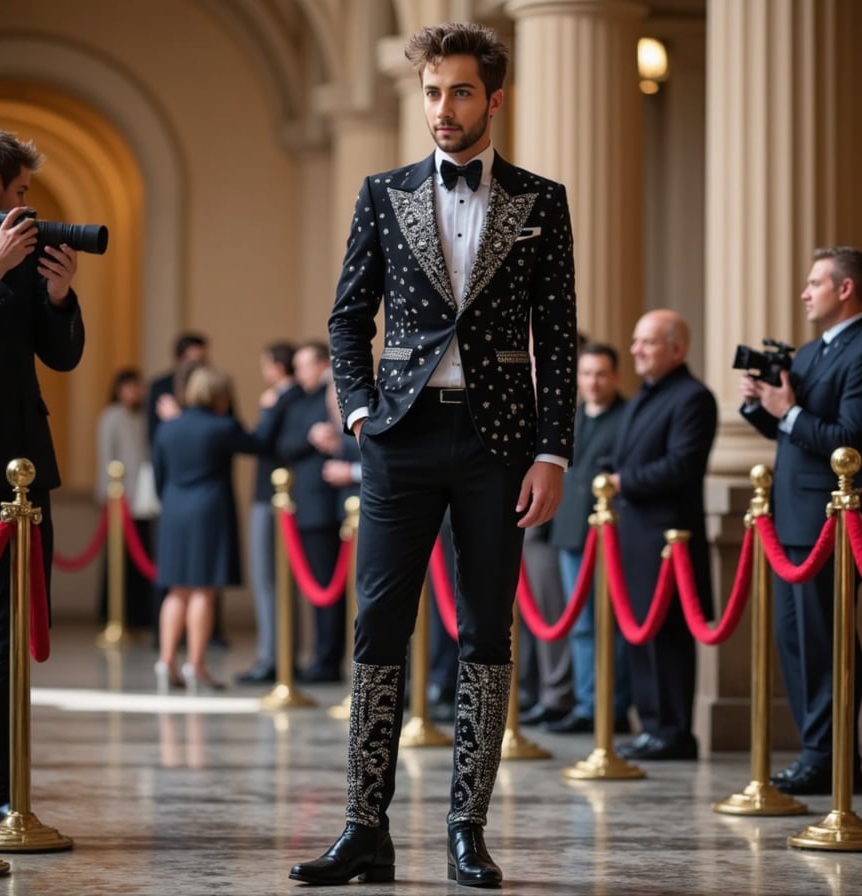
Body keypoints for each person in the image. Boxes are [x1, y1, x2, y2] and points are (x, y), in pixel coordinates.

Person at [289, 22, 577, 888]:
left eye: (458, 92)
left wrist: (554, 452)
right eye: (430, 92)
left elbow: (556, 338)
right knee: (378, 625)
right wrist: (358, 408)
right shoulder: (383, 192)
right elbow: (347, 316)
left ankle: (466, 829)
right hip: (400, 439)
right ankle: (363, 827)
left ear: (493, 98)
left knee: (485, 628)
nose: (441, 109)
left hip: (500, 444)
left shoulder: (540, 200)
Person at [0, 126, 85, 834]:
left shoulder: (27, 246)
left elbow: (61, 357)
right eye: (22, 192)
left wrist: (62, 299)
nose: (29, 207)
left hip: (23, 472)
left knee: (7, 640)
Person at [739, 246, 862, 795]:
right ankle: (816, 748)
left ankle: (830, 755)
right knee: (794, 639)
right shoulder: (812, 352)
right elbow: (792, 432)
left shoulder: (859, 351)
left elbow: (848, 440)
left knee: (822, 640)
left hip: (829, 519)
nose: (804, 292)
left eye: (815, 283)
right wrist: (760, 405)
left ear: (845, 289)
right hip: (790, 516)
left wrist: (786, 411)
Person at [609, 310, 717, 761]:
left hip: (668, 538)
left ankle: (674, 730)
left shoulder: (693, 397)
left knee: (668, 639)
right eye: (636, 341)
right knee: (640, 636)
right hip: (636, 535)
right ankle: (652, 724)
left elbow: (682, 465)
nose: (636, 350)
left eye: (647, 342)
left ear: (677, 349)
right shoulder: (645, 396)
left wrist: (622, 482)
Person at [152, 365, 269, 693]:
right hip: (209, 510)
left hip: (174, 510)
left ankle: (166, 659)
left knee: (177, 589)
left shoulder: (167, 429)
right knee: (204, 588)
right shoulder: (222, 426)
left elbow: (159, 477)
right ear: (221, 395)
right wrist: (270, 409)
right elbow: (258, 443)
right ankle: (197, 664)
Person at [544, 342, 631, 734]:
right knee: (579, 624)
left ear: (614, 376)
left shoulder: (627, 417)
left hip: (611, 537)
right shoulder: (569, 417)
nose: (593, 382)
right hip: (570, 534)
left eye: (600, 374)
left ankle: (612, 707)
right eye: (586, 374)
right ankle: (585, 704)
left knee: (612, 624)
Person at [275, 341, 346, 684]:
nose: (299, 372)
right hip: (306, 504)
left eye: (304, 365)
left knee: (327, 586)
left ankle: (327, 660)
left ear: (322, 364)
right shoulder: (299, 401)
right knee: (315, 587)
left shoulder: (334, 394)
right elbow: (285, 444)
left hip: (329, 505)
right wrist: (310, 438)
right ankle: (318, 656)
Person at [235, 341, 297, 685]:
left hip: (271, 497)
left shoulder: (282, 399)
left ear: (275, 366)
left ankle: (270, 657)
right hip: (276, 496)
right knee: (273, 582)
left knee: (267, 581)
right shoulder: (289, 397)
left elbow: (259, 442)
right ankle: (276, 653)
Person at [96, 367, 158, 634]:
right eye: (130, 386)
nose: (136, 392)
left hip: (143, 497)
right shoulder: (111, 417)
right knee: (117, 559)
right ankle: (113, 614)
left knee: (141, 555)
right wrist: (109, 494)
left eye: (139, 386)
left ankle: (139, 614)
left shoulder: (146, 417)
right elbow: (106, 458)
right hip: (119, 496)